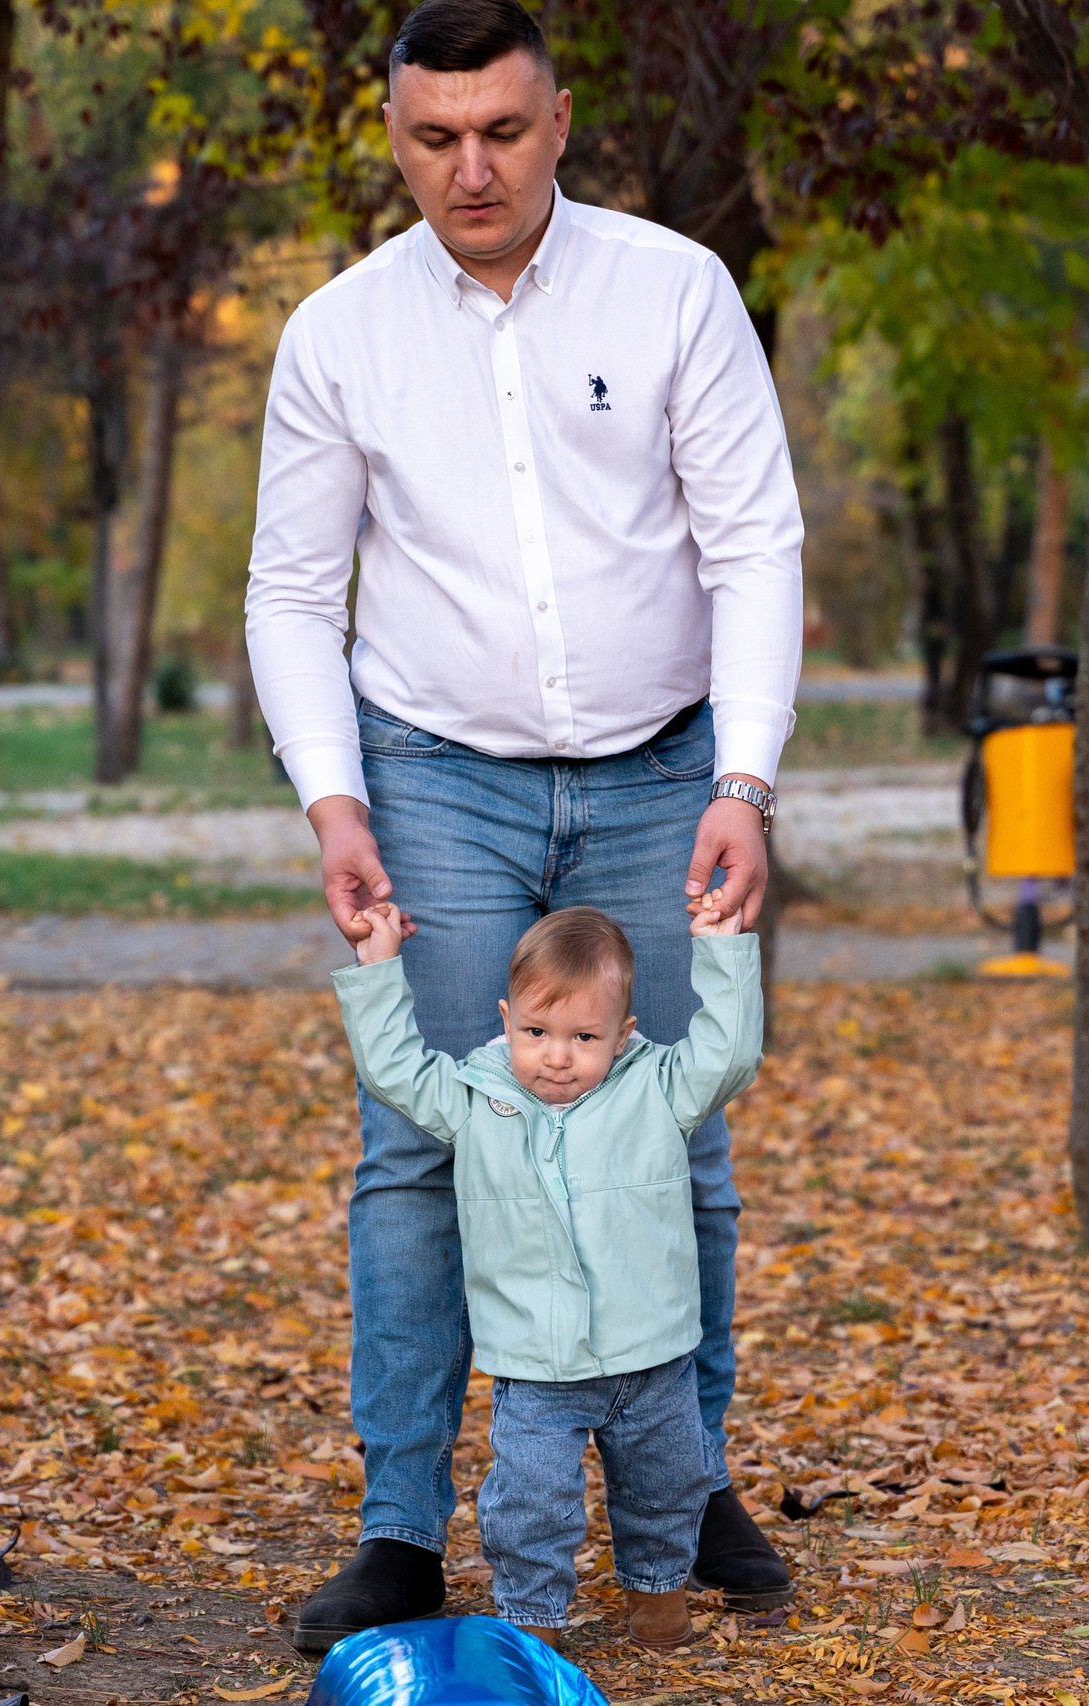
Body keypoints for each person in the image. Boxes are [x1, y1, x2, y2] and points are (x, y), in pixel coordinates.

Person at [242, 0, 803, 1654]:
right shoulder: (341, 334)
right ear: (395, 135)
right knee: (418, 1146)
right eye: (434, 138)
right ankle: (403, 1526)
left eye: (500, 130)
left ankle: (679, 1484)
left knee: (672, 1138)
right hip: (436, 774)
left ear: (559, 121)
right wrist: (335, 802)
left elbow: (754, 545)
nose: (469, 167)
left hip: (662, 768)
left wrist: (744, 779)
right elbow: (290, 591)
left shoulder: (676, 290)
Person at [332, 898, 762, 1649]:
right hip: (536, 1365)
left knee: (666, 1487)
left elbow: (728, 1055)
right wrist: (377, 967)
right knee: (531, 1501)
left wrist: (724, 956)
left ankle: (658, 1600)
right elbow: (394, 1070)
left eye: (583, 1037)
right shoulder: (476, 1098)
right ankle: (534, 1623)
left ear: (623, 1036)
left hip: (650, 1354)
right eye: (536, 1032)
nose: (556, 1056)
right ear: (506, 1020)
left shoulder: (657, 1091)